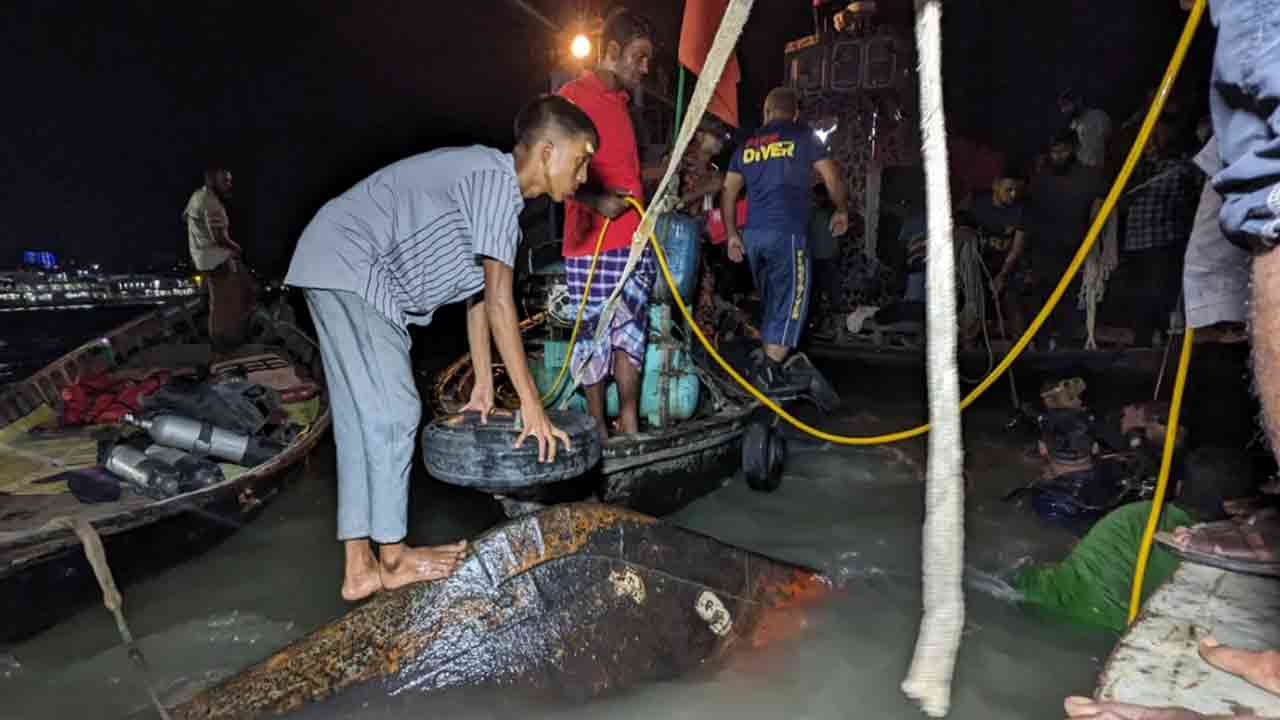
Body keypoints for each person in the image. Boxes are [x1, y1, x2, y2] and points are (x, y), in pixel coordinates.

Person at [283, 96, 592, 601]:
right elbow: (499, 303)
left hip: (330, 258)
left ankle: (359, 567)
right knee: (397, 412)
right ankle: (395, 556)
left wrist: (486, 388)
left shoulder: (497, 207)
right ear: (546, 151)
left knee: (364, 421)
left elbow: (476, 298)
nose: (583, 176)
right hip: (354, 262)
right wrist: (533, 409)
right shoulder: (496, 181)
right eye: (580, 160)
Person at [556, 7, 657, 442]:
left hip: (634, 242)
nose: (645, 68)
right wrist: (597, 200)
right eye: (639, 57)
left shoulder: (625, 106)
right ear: (612, 51)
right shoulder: (572, 96)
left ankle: (629, 423)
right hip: (588, 246)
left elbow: (627, 171)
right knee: (593, 338)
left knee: (631, 334)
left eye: (648, 59)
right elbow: (554, 174)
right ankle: (597, 426)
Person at [720, 86, 849, 389]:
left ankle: (767, 379)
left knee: (773, 306)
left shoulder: (746, 146)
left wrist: (730, 235)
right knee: (792, 306)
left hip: (753, 238)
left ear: (766, 112)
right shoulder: (803, 137)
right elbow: (831, 177)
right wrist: (841, 209)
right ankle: (764, 380)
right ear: (796, 113)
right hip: (787, 236)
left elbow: (728, 191)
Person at [1117, 122, 1202, 346]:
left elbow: (1184, 204)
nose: (1151, 145)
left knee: (1161, 293)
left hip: (1162, 240)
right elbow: (1123, 203)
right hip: (1136, 242)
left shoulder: (1178, 169)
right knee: (1139, 295)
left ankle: (1166, 339)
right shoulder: (1136, 169)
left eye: (1157, 138)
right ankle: (1144, 339)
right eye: (1148, 140)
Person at [1027, 130, 1108, 348]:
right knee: (1043, 295)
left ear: (1072, 149)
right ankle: (1042, 342)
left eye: (1062, 150)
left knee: (1070, 299)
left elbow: (1097, 208)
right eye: (1053, 151)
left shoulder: (1088, 176)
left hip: (1075, 246)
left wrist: (1093, 245)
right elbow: (1032, 214)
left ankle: (1067, 344)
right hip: (1045, 247)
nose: (1057, 155)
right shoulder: (1041, 177)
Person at [184, 167, 255, 357]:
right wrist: (237, 249)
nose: (229, 185)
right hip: (217, 259)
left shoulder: (198, 196)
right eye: (225, 181)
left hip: (206, 258)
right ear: (212, 181)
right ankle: (224, 345)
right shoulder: (211, 203)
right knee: (226, 302)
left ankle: (231, 338)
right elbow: (219, 238)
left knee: (242, 292)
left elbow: (189, 220)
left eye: (229, 180)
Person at [963, 172, 1030, 338]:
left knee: (1012, 299)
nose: (1013, 195)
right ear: (996, 186)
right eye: (1009, 190)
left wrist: (1002, 275)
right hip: (977, 264)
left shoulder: (1021, 211)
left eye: (1016, 191)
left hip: (1008, 266)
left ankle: (1020, 346)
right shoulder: (977, 204)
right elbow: (959, 226)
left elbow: (1017, 248)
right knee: (972, 299)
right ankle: (969, 344)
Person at [1058, 89, 1113, 170]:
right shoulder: (1072, 127)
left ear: (1078, 101)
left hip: (1103, 170)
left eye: (1066, 104)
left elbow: (1111, 140)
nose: (1063, 110)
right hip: (1084, 174)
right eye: (1062, 107)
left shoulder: (1098, 116)